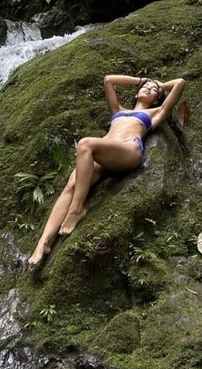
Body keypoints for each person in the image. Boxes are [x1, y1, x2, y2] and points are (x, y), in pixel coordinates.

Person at [27, 74, 186, 268]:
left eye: (154, 91)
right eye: (146, 87)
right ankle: (43, 242)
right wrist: (140, 81)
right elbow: (108, 80)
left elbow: (179, 83)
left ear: (157, 99)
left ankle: (77, 209)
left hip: (128, 151)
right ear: (136, 93)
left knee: (85, 144)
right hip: (104, 154)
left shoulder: (156, 112)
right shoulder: (117, 110)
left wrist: (159, 85)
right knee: (71, 184)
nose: (149, 89)